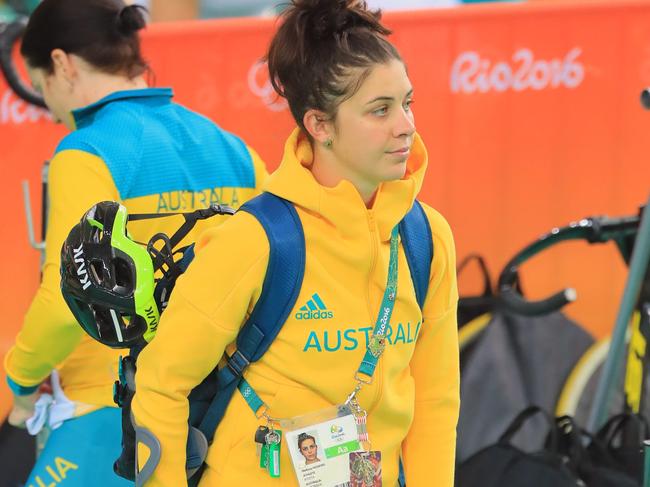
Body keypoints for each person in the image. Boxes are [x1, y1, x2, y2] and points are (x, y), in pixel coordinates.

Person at [132, 0, 459, 485]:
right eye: (380, 110)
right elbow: (161, 385)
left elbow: (436, 401)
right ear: (319, 125)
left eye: (407, 103)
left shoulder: (426, 236)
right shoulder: (256, 239)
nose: (406, 126)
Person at [3, 0, 266, 484]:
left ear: (61, 64)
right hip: (222, 416)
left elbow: (67, 300)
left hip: (111, 416)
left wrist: (19, 380)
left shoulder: (86, 152)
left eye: (42, 88)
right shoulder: (234, 148)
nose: (55, 111)